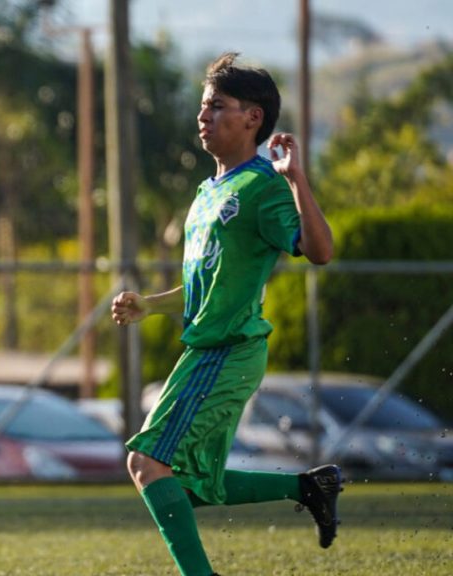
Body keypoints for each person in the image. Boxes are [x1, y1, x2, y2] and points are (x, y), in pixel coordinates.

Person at [110, 52, 342, 576]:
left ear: (253, 118)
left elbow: (321, 251)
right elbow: (203, 288)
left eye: (217, 106)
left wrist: (296, 179)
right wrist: (150, 304)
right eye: (203, 106)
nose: (203, 116)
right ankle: (310, 487)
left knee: (146, 463)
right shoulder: (208, 192)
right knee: (187, 482)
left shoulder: (263, 187)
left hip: (229, 351)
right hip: (207, 350)